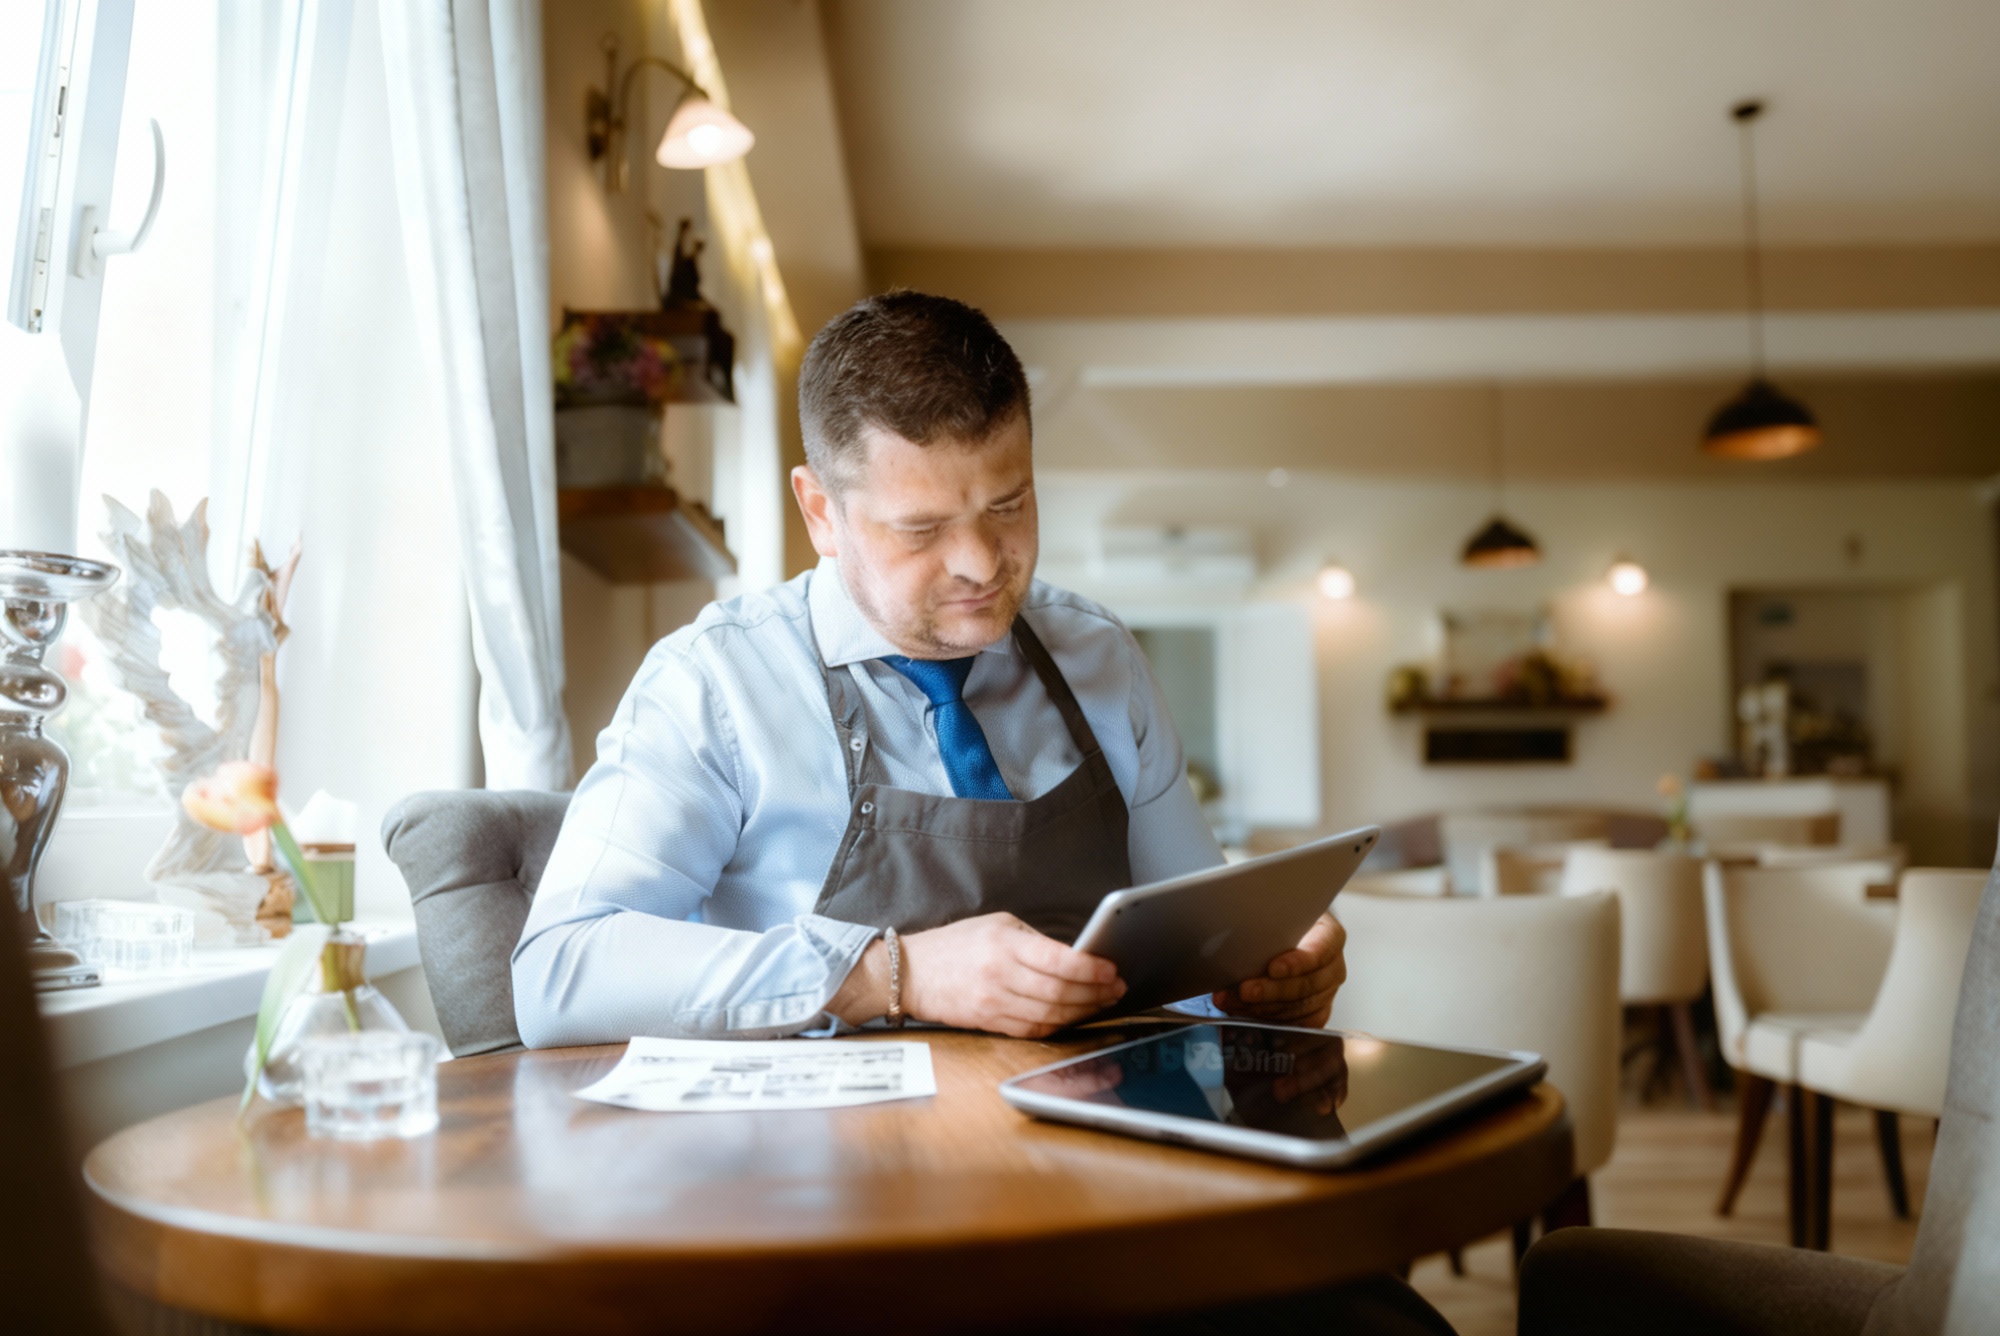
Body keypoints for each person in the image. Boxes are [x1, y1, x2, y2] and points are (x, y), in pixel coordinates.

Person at [514, 291, 1452, 1336]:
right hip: (833, 1222)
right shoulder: (714, 683)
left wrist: (1262, 969)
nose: (978, 563)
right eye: (920, 527)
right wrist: (890, 971)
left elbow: (1194, 951)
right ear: (818, 509)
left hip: (1113, 1187)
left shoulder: (1098, 656)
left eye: (1008, 505)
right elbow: (557, 967)